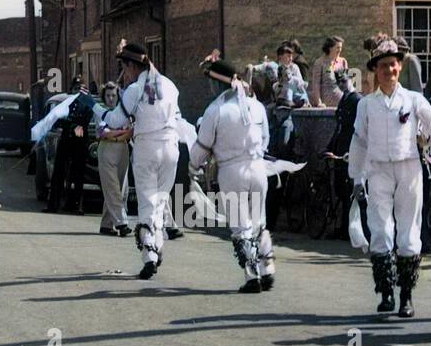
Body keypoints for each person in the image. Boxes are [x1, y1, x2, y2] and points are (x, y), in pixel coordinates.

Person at [348, 37, 431, 318]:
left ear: (400, 67)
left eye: (394, 65)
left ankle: (406, 296)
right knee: (381, 230)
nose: (390, 70)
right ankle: (386, 292)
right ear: (376, 70)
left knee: (409, 232)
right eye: (384, 66)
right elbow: (359, 141)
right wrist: (357, 178)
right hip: (378, 171)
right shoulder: (366, 105)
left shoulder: (413, 99)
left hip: (409, 168)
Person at [103, 42, 188, 280]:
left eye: (125, 67)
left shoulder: (134, 89)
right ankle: (157, 245)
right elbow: (178, 117)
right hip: (171, 145)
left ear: (132, 66)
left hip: (147, 146)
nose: (125, 73)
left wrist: (99, 112)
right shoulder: (170, 85)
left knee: (146, 201)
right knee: (160, 200)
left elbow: (116, 120)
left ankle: (149, 254)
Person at [190, 58, 275, 292]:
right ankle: (268, 269)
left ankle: (252, 276)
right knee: (259, 222)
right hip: (258, 168)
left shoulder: (215, 110)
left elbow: (202, 146)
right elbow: (266, 139)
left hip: (231, 171)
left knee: (241, 226)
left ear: (217, 85)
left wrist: (193, 165)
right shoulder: (256, 107)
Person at [46, 79, 95, 215]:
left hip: (80, 141)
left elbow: (85, 121)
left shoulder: (88, 105)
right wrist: (71, 125)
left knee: (78, 174)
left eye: (81, 88)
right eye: (76, 88)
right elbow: (60, 119)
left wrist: (73, 125)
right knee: (58, 172)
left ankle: (76, 205)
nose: (78, 91)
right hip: (66, 139)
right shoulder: (66, 104)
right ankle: (54, 204)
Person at [324, 68, 362, 239]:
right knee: (340, 187)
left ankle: (349, 228)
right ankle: (343, 226)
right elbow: (338, 127)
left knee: (348, 189)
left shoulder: (357, 100)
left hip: (350, 148)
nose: (342, 85)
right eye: (340, 82)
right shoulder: (344, 99)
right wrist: (329, 146)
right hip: (340, 147)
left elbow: (358, 129)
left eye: (344, 81)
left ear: (351, 80)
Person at [95, 81, 132, 237]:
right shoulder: (101, 112)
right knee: (112, 188)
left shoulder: (122, 112)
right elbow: (104, 133)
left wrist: (116, 133)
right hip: (106, 149)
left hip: (122, 149)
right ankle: (122, 223)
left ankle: (106, 224)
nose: (111, 99)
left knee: (122, 190)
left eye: (113, 95)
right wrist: (120, 132)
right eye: (108, 95)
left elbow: (130, 131)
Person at [309, 37, 348, 108]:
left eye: (341, 48)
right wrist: (318, 102)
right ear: (330, 48)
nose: (339, 50)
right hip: (327, 104)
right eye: (337, 48)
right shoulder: (320, 62)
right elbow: (316, 84)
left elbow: (346, 84)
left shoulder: (343, 61)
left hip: (342, 102)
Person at [273, 43, 308, 107]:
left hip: (295, 93)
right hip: (282, 93)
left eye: (291, 56)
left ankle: (300, 102)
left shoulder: (294, 67)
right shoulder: (276, 67)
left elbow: (300, 82)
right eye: (288, 56)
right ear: (280, 57)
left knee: (301, 96)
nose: (291, 58)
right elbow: (275, 85)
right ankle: (286, 101)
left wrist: (292, 80)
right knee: (287, 90)